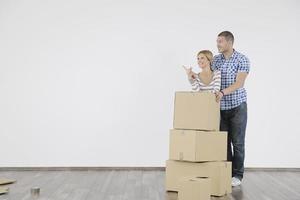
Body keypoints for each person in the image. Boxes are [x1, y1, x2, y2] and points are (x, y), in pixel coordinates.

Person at [213, 31, 250, 187]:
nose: (217, 44)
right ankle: (227, 172)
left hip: (237, 107)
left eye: (220, 41)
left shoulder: (242, 59)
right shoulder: (215, 60)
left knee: (238, 143)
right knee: (224, 142)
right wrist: (193, 76)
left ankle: (237, 175)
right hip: (220, 108)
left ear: (229, 42)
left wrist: (222, 92)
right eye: (217, 41)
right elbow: (209, 77)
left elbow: (239, 83)